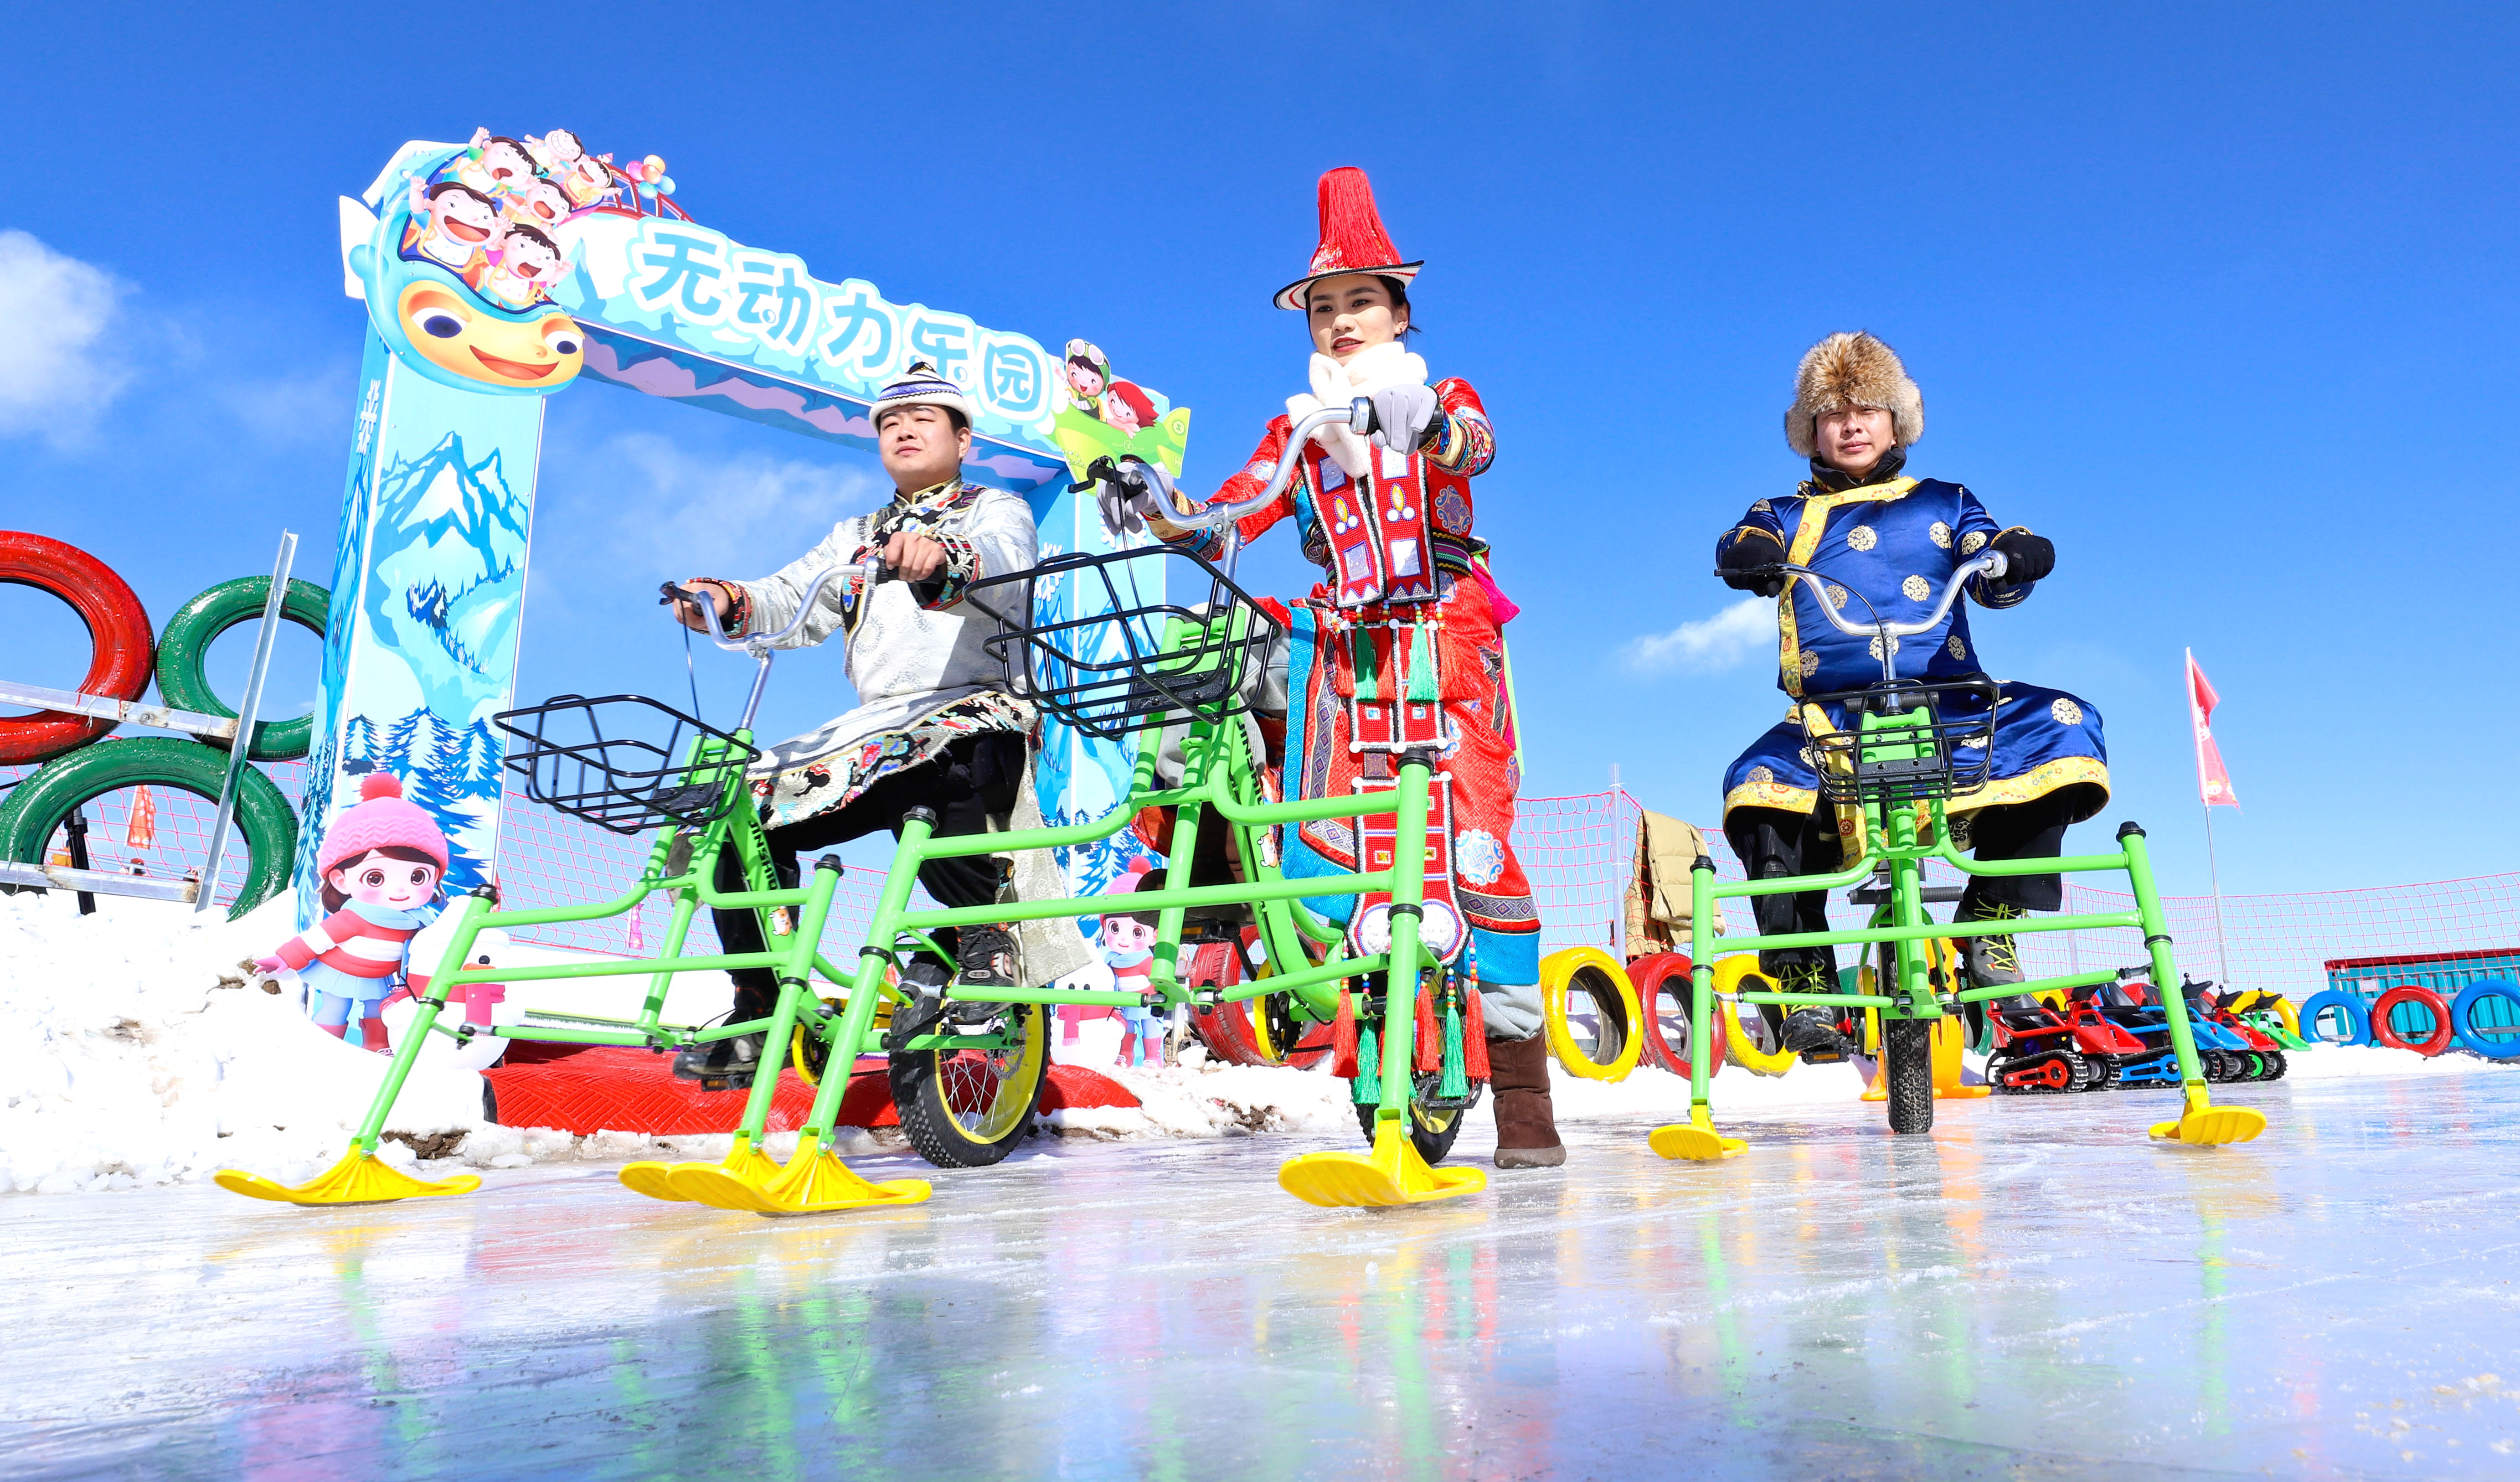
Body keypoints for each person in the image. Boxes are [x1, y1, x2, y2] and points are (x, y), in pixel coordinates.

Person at [1137, 167, 1557, 1169]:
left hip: (1444, 632)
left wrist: (1422, 425)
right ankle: (1278, 953)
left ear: (1399, 312)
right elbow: (1235, 509)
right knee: (1336, 825)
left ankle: (1526, 1107)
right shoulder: (1297, 424)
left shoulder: (1439, 394)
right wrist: (1158, 503)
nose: (1338, 322)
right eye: (1321, 307)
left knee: (1473, 846)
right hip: (1346, 643)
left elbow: (1475, 447)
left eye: (1358, 301)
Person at [1714, 332, 2106, 1058]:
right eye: (1833, 414)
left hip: (1952, 703)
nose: (1851, 425)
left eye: (1867, 409)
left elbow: (1987, 555)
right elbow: (1742, 540)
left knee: (2067, 724)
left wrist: (2012, 554)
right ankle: (1804, 981)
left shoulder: (1945, 500)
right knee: (1757, 784)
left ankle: (1989, 926)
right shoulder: (1782, 511)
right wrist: (1748, 555)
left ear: (1896, 423)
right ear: (1810, 430)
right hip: (1828, 719)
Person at [663, 361, 1044, 1088]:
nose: (903, 430)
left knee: (935, 764)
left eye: (923, 419)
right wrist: (729, 597)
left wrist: (944, 556)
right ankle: (763, 1003)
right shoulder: (858, 533)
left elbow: (1006, 563)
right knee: (736, 807)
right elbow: (790, 595)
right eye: (889, 423)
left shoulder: (994, 508)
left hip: (975, 704)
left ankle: (987, 941)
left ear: (964, 439)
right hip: (875, 727)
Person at [252, 773, 449, 1053]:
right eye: (376, 878)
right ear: (341, 880)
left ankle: (377, 1048)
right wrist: (285, 957)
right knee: (335, 1008)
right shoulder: (354, 917)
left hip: (380, 977)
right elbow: (317, 939)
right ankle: (321, 1049)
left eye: (417, 876)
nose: (400, 889)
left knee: (379, 1011)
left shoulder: (418, 921)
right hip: (340, 972)